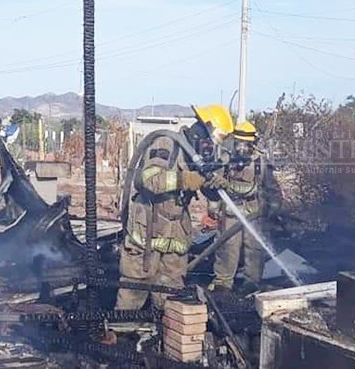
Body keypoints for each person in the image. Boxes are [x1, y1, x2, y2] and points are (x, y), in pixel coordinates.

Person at [115, 104, 234, 310]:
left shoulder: (197, 156)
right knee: (133, 293)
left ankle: (164, 329)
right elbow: (149, 180)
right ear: (202, 131)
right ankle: (124, 328)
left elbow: (206, 189)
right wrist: (186, 179)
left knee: (172, 300)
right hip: (147, 232)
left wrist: (214, 187)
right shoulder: (166, 144)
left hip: (176, 236)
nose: (211, 147)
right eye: (214, 139)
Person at [207, 121, 282, 293]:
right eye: (238, 143)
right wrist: (212, 207)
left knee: (254, 249)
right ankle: (223, 282)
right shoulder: (225, 160)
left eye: (245, 144)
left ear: (253, 144)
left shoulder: (260, 163)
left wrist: (273, 209)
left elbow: (273, 189)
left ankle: (251, 282)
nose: (241, 148)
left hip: (254, 214)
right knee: (227, 247)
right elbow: (214, 187)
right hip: (230, 214)